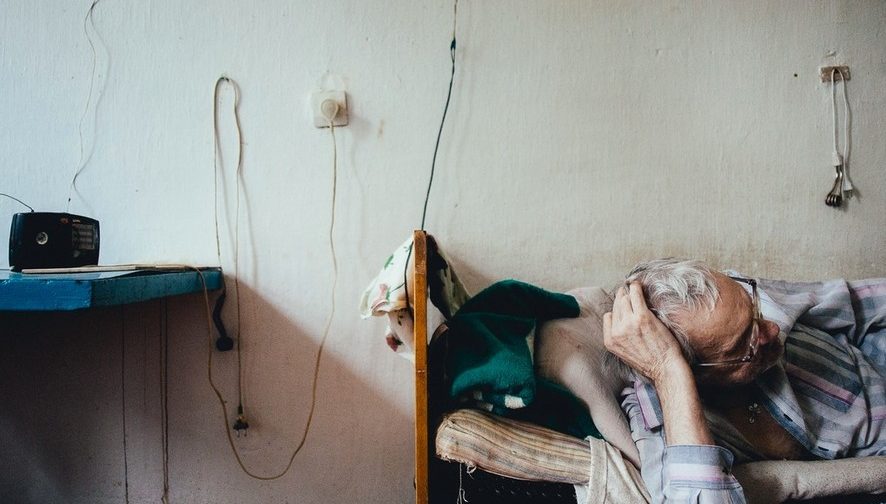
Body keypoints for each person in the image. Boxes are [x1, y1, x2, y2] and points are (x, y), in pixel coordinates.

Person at [603, 258, 886, 503]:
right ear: (694, 373)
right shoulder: (659, 420)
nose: (772, 330)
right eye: (744, 344)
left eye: (755, 311)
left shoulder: (735, 299)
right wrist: (668, 371)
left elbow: (861, 303)